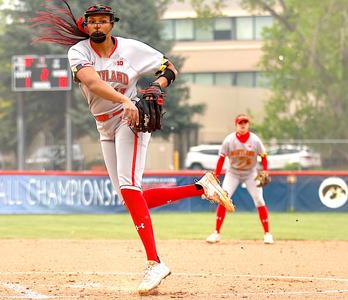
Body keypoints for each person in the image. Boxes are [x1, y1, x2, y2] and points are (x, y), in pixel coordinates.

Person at [32, 2, 234, 295]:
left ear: (112, 24)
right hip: (105, 125)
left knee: (129, 188)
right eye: (93, 22)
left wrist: (158, 86)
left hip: (132, 120)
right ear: (85, 26)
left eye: (103, 21)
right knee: (132, 199)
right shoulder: (79, 52)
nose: (98, 26)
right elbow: (91, 81)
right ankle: (201, 189)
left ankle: (155, 262)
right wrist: (125, 99)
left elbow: (169, 66)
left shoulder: (132, 49)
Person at [205, 114, 274, 244]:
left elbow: (264, 156)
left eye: (245, 122)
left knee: (259, 200)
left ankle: (267, 233)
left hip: (250, 173)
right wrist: (217, 175)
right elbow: (221, 158)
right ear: (236, 125)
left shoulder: (255, 140)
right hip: (233, 173)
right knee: (223, 199)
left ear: (248, 125)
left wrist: (265, 170)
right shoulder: (229, 140)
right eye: (240, 123)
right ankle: (216, 233)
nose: (243, 125)